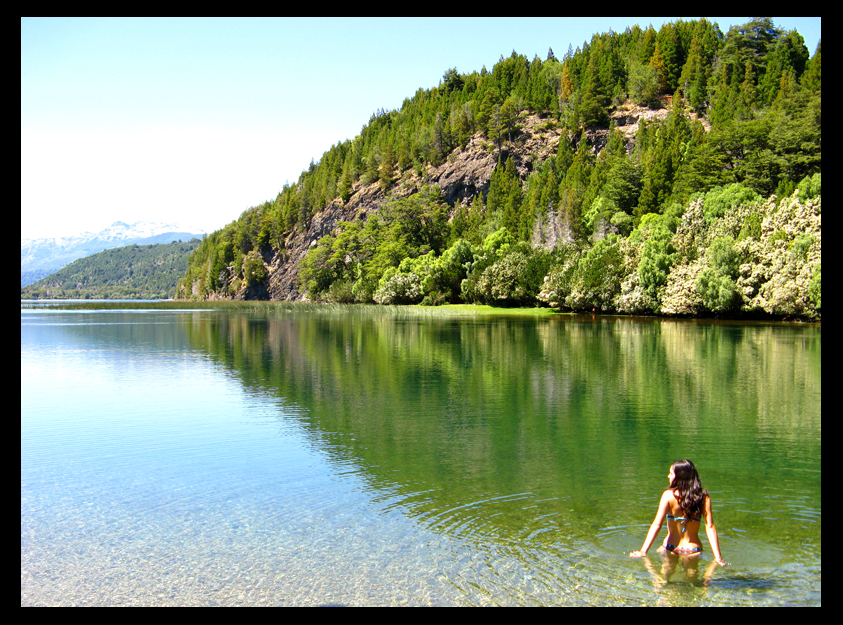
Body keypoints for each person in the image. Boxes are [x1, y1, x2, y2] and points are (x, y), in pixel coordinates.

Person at [629, 459, 728, 565]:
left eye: (671, 473)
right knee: (692, 579)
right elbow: (710, 527)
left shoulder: (668, 495)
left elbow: (656, 525)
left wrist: (643, 551)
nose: (668, 476)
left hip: (671, 547)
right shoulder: (703, 497)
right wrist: (718, 557)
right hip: (692, 550)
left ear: (680, 476)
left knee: (664, 578)